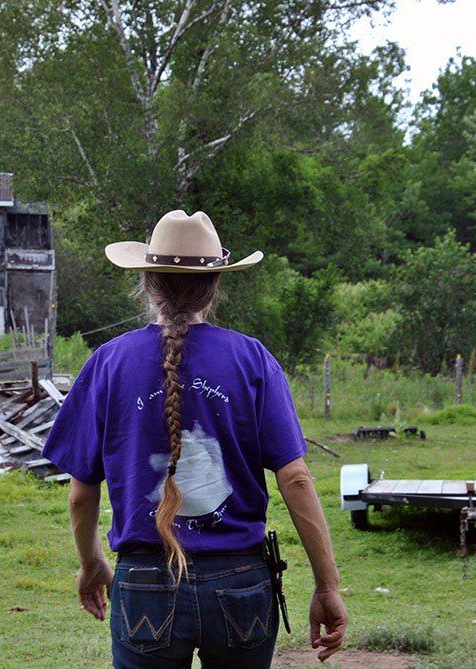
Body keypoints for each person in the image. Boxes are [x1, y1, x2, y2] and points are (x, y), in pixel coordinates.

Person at [42, 210, 346, 668]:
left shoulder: (108, 363)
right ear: (215, 285)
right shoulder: (252, 360)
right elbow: (297, 480)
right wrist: (327, 587)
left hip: (143, 580)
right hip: (242, 579)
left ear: (147, 281)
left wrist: (91, 563)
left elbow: (81, 496)